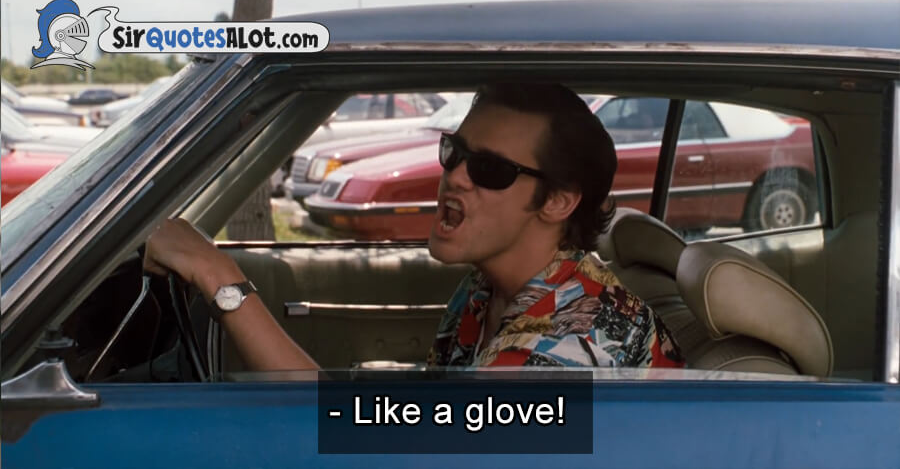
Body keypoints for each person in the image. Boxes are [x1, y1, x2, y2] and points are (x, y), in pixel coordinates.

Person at [144, 83, 684, 370]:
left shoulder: (566, 344)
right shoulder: (489, 289)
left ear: (559, 202)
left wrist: (220, 277)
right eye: (455, 152)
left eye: (490, 169)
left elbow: (374, 448)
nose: (456, 176)